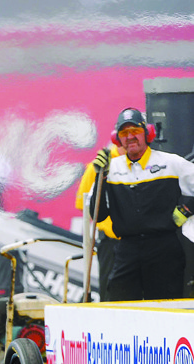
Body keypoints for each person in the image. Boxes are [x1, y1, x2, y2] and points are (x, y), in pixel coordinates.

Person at [90, 108, 194, 301]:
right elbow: (98, 215)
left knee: (166, 311)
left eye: (135, 131)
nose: (130, 137)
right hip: (126, 251)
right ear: (117, 139)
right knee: (120, 310)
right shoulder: (110, 169)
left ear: (148, 134)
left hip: (164, 249)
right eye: (124, 133)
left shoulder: (170, 163)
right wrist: (100, 178)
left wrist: (186, 210)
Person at [75, 144, 123, 301]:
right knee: (109, 293)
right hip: (111, 243)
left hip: (138, 240)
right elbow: (84, 204)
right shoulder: (98, 165)